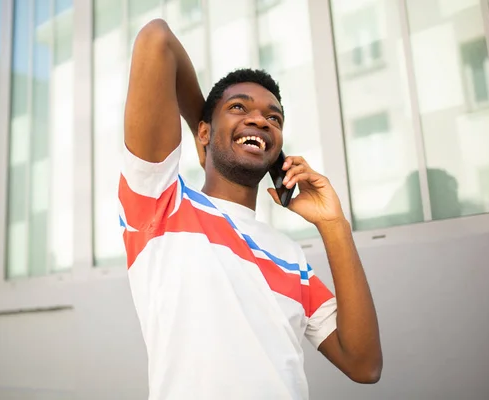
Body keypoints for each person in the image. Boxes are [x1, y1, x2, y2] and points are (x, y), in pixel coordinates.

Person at [119, 19, 382, 400]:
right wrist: (201, 132)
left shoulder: (292, 258)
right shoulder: (161, 205)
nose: (260, 119)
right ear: (206, 131)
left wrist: (333, 224)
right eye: (239, 107)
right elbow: (157, 38)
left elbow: (364, 364)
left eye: (273, 118)